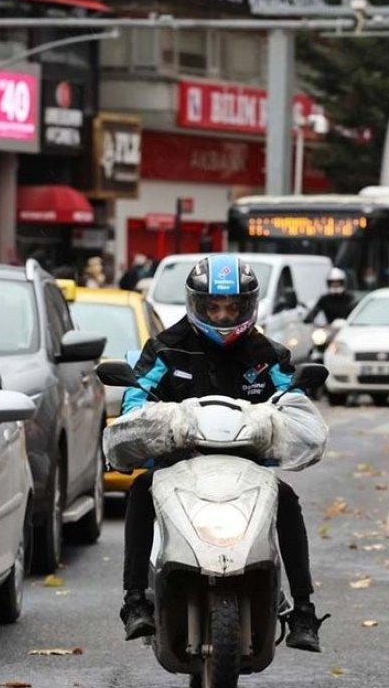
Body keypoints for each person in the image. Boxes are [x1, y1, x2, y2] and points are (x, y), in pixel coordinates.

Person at [117, 254, 327, 652]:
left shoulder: (267, 354)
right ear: (196, 304)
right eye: (213, 307)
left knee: (287, 499)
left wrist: (292, 419)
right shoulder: (165, 348)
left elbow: (293, 399)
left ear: (249, 306)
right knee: (141, 490)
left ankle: (303, 610)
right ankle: (135, 600)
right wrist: (142, 422)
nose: (223, 316)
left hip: (247, 468)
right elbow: (135, 396)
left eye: (232, 307)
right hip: (180, 464)